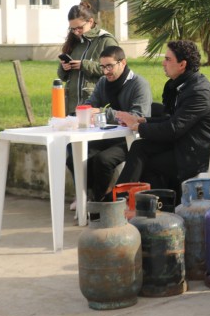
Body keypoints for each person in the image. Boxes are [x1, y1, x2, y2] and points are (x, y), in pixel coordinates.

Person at [115, 40, 210, 193]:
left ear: (182, 64)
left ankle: (126, 202)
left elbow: (173, 129)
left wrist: (137, 127)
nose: (163, 63)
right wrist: (142, 120)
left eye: (168, 59)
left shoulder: (198, 91)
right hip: (187, 144)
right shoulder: (185, 85)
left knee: (147, 162)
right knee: (139, 147)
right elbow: (173, 119)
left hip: (200, 154)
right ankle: (124, 200)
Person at [65, 46, 152, 204]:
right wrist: (83, 111)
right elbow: (91, 104)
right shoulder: (103, 82)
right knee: (73, 152)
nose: (105, 71)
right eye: (102, 67)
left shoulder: (139, 84)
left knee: (103, 160)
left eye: (109, 66)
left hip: (131, 139)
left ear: (123, 63)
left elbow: (138, 117)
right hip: (107, 135)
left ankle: (100, 202)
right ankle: (85, 194)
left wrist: (102, 113)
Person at [57, 2, 118, 115]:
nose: (76, 32)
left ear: (90, 21)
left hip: (96, 107)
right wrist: (64, 68)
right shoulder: (73, 42)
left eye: (79, 27)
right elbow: (63, 77)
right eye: (72, 29)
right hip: (72, 107)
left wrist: (84, 65)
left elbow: (116, 70)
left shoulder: (106, 40)